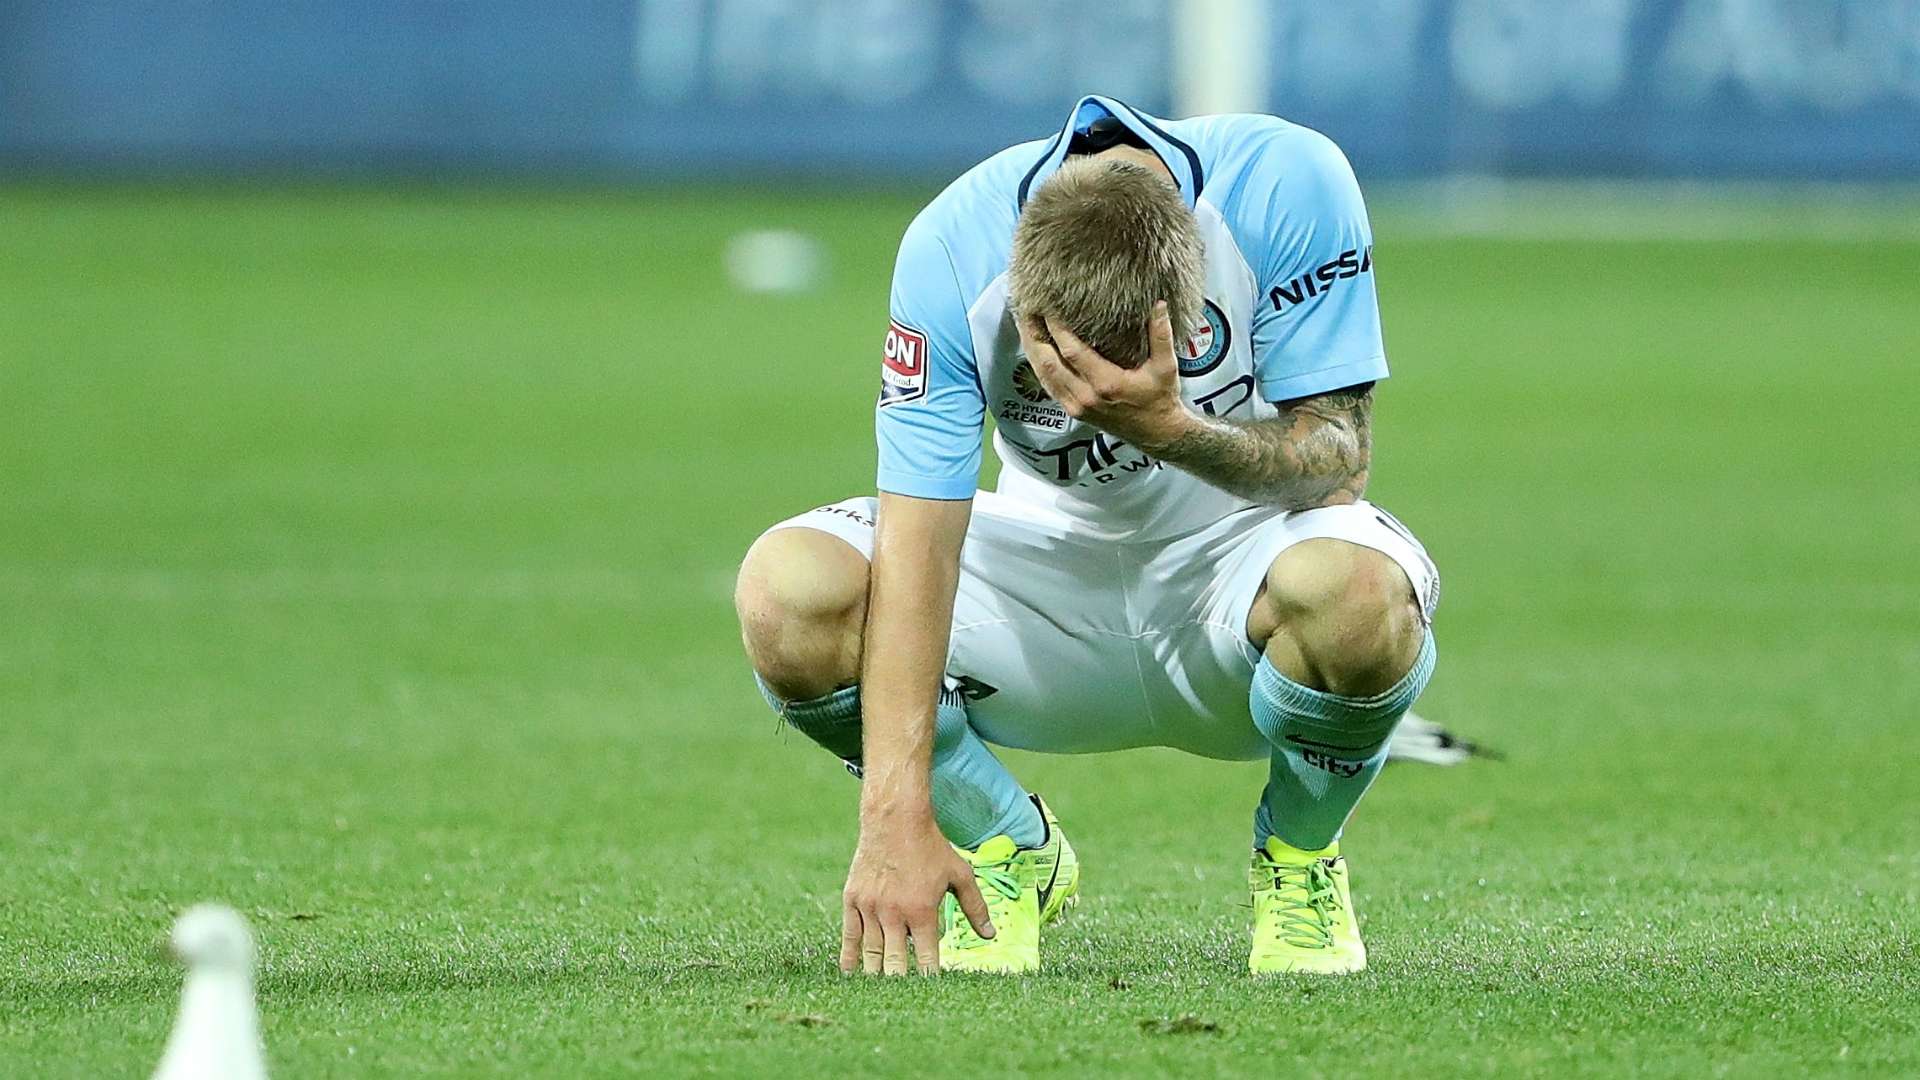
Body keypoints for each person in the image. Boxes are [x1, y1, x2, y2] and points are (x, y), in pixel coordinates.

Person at [734, 95, 1440, 977]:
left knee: (1362, 595)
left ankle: (1299, 860)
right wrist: (891, 818)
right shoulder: (952, 249)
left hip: (1244, 568)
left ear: (1188, 309)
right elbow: (921, 545)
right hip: (1044, 570)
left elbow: (1340, 462)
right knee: (788, 591)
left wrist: (1170, 429)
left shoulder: (1290, 183)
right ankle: (1004, 842)